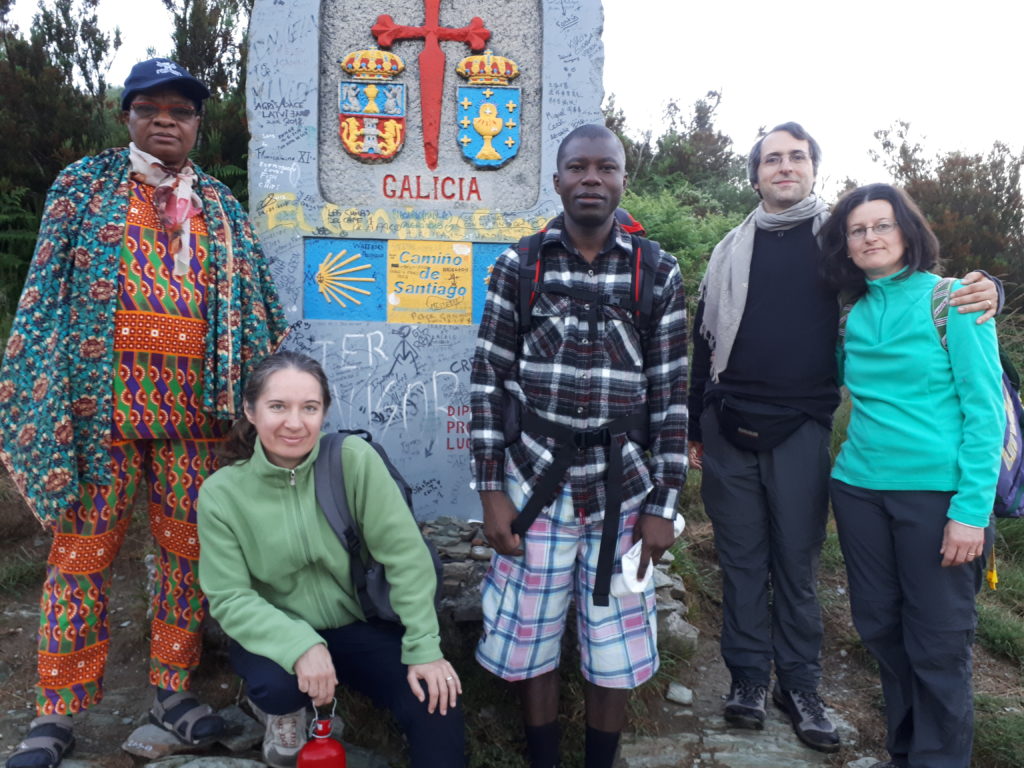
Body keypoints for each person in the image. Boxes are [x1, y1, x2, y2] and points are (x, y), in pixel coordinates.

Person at [0, 58, 287, 768]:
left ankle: (171, 689)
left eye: (181, 111)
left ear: (197, 124)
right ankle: (57, 710)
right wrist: (43, 390)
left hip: (193, 418)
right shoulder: (83, 187)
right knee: (81, 556)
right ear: (126, 115)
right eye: (151, 107)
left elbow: (254, 305)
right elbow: (44, 293)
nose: (166, 119)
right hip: (101, 414)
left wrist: (247, 403)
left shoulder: (218, 204)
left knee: (187, 556)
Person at [686, 122, 1001, 753]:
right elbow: (705, 340)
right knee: (748, 565)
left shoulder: (837, 245)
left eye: (796, 157)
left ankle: (800, 686)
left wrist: (987, 287)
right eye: (771, 159)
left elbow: (917, 292)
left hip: (807, 429)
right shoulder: (730, 250)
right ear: (754, 175)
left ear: (813, 169)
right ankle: (748, 680)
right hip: (746, 433)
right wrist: (695, 424)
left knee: (799, 570)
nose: (783, 167)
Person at [471, 123, 688, 768]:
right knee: (528, 630)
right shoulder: (522, 264)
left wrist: (664, 501)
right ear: (558, 178)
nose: (591, 179)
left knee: (615, 639)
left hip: (625, 485)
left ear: (624, 178)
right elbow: (488, 380)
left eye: (606, 168)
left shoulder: (658, 270)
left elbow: (673, 395)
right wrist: (490, 494)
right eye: (578, 168)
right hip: (534, 479)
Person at [196, 351, 464, 768]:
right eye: (278, 406)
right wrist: (301, 644)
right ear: (250, 410)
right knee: (278, 687)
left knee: (434, 697)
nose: (294, 422)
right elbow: (230, 596)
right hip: (277, 631)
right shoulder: (221, 494)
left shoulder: (351, 460)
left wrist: (424, 648)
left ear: (325, 412)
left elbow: (406, 557)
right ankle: (283, 716)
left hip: (358, 622)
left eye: (310, 407)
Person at [820, 184, 1002, 768]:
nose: (870, 237)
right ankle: (905, 752)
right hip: (859, 492)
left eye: (882, 225)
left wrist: (971, 512)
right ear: (846, 246)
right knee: (882, 630)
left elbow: (986, 412)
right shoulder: (852, 313)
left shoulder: (954, 303)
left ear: (907, 233)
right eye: (857, 230)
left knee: (940, 643)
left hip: (938, 499)